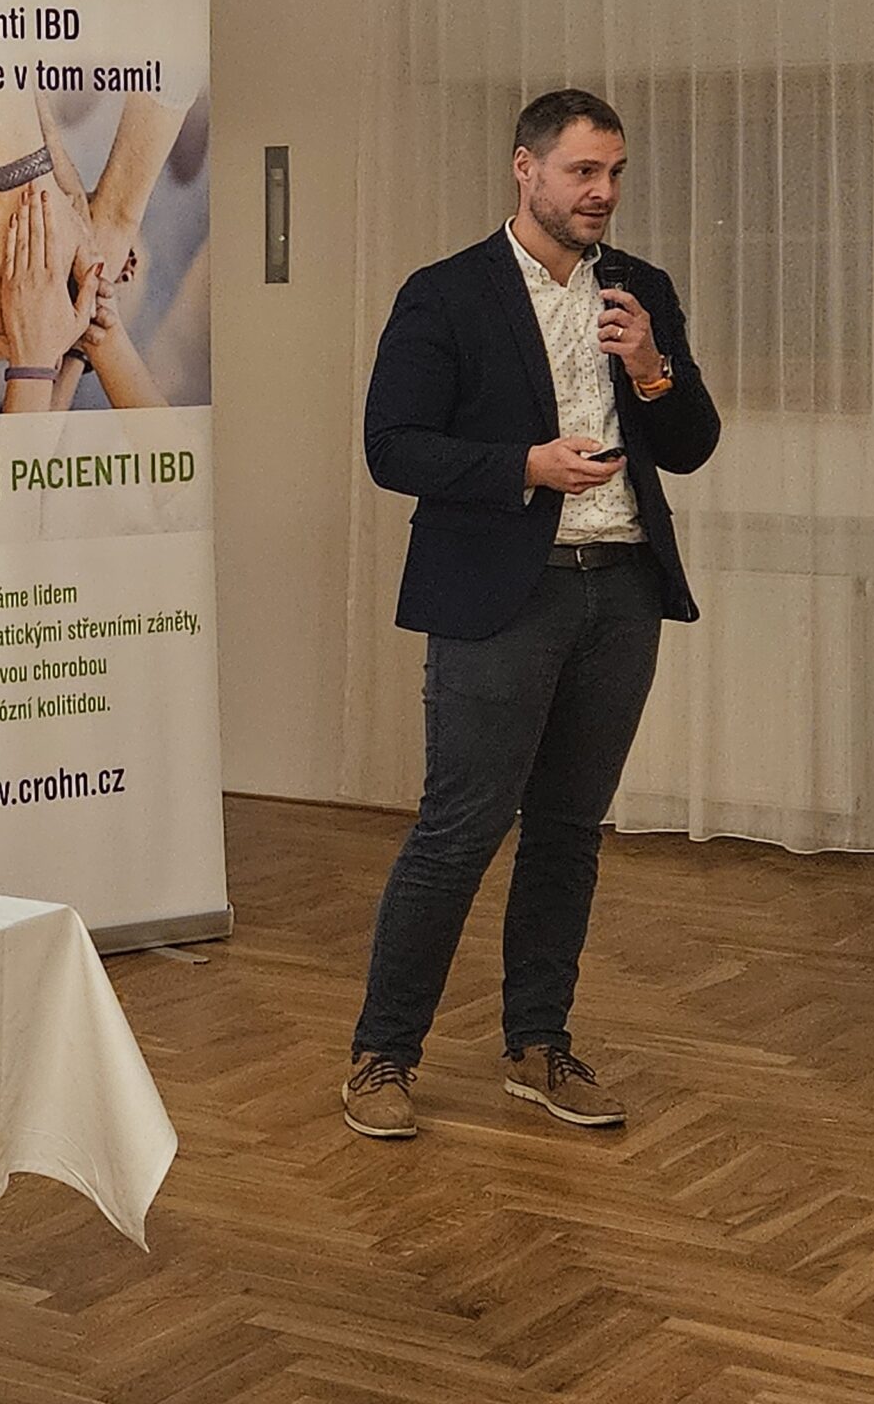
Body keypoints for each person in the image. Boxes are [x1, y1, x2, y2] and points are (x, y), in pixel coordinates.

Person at [343, 89, 721, 1141]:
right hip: (500, 592)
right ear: (525, 168)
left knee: (568, 832)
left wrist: (650, 368)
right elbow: (393, 447)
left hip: (622, 588)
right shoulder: (446, 294)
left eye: (615, 173)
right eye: (582, 171)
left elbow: (691, 445)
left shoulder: (640, 290)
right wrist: (524, 465)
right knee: (459, 829)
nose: (603, 192)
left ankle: (537, 1046)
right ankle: (382, 1055)